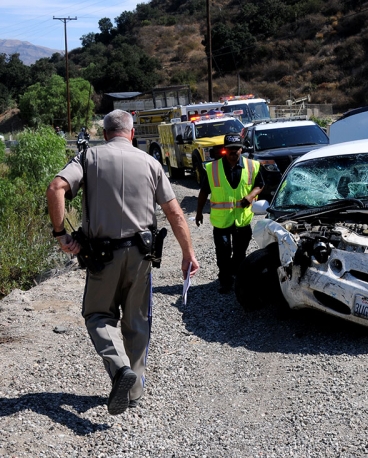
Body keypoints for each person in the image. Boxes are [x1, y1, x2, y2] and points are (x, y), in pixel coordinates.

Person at [46, 109, 199, 415]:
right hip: (142, 254)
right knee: (137, 321)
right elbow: (174, 213)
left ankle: (119, 369)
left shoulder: (89, 159)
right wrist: (188, 254)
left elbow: (56, 188)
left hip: (102, 256)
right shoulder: (151, 162)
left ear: (105, 134)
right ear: (131, 134)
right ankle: (135, 390)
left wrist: (62, 235)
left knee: (97, 314)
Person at [195, 133, 263, 293]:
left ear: (241, 149)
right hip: (221, 220)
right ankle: (225, 280)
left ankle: (237, 277)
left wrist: (251, 196)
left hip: (242, 219)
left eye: (236, 149)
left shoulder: (252, 166)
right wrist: (198, 212)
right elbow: (204, 192)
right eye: (230, 149)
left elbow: (260, 184)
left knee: (240, 253)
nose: (233, 152)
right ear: (224, 150)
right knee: (223, 251)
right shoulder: (213, 169)